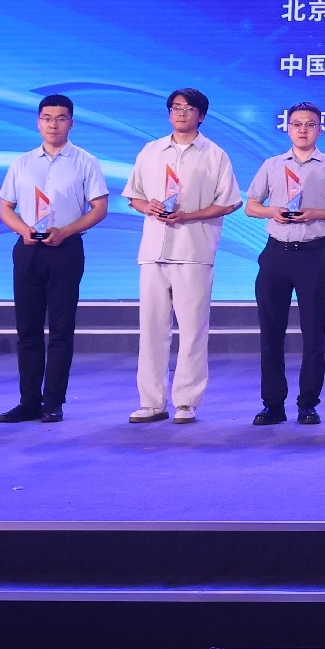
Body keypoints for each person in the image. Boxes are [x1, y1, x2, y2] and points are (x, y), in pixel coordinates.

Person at [124, 88, 240, 425]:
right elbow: (134, 196)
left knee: (192, 331)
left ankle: (187, 402)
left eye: (189, 109)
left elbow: (229, 202)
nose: (181, 113)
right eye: (176, 108)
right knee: (151, 329)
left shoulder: (214, 155)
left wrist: (189, 215)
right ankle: (151, 402)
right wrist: (148, 206)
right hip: (153, 251)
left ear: (201, 116)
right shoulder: (151, 151)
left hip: (193, 251)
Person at [0, 93, 109, 423]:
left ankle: (53, 401)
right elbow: (5, 207)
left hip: (65, 249)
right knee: (27, 328)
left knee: (60, 329)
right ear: (38, 122)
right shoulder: (22, 163)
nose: (53, 124)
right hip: (28, 249)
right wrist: (23, 229)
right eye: (46, 118)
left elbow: (99, 208)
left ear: (71, 123)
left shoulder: (85, 161)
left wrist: (67, 231)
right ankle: (29, 400)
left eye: (60, 118)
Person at [242, 102, 325, 426]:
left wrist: (317, 213)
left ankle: (308, 404)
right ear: (287, 128)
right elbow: (251, 205)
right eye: (297, 124)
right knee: (271, 334)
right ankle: (273, 404)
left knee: (313, 333)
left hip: (312, 255)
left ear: (320, 129)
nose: (303, 130)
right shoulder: (272, 165)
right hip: (276, 253)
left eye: (310, 124)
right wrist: (272, 211)